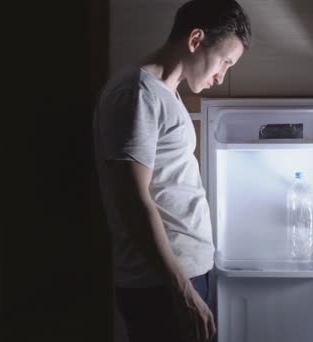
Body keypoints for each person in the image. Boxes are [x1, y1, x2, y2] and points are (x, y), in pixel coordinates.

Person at [93, 1, 251, 341]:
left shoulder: (166, 94)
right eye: (224, 61)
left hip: (183, 278)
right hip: (163, 286)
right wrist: (182, 291)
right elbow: (132, 201)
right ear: (196, 39)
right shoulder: (137, 93)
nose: (222, 75)